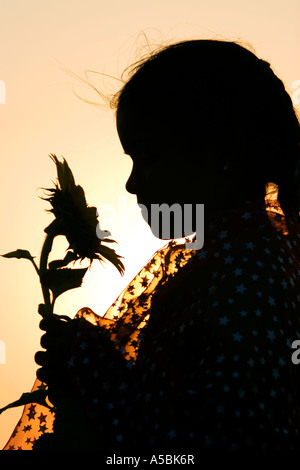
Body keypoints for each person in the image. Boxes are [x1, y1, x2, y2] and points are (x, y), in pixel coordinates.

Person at [4, 38, 300, 452]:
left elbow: (219, 442)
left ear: (222, 154)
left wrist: (93, 372)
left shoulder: (248, 273)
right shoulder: (223, 259)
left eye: (149, 155)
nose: (132, 183)